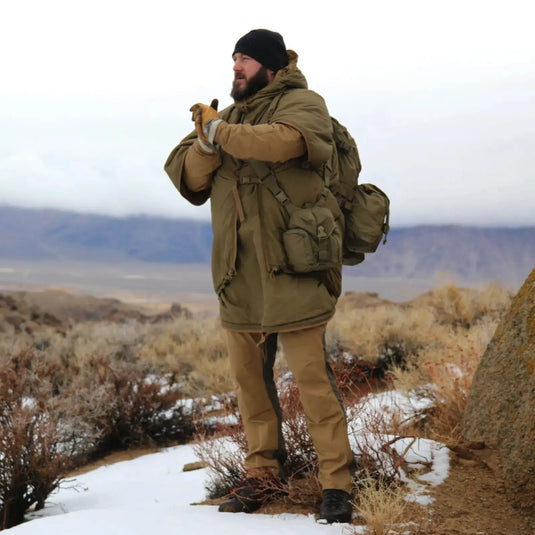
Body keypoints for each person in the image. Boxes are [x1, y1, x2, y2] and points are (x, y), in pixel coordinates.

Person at [164, 29, 354, 524]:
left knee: (312, 382)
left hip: (295, 270)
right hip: (239, 274)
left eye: (244, 60)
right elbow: (186, 175)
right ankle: (262, 474)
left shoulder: (304, 104)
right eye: (233, 60)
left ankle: (337, 484)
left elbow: (286, 143)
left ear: (270, 66)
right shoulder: (222, 118)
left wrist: (219, 134)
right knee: (251, 384)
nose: (235, 68)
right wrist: (208, 142)